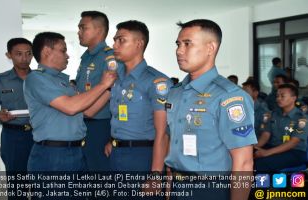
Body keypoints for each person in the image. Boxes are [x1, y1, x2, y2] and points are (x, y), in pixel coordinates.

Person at [164, 19, 257, 200]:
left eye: (187, 44)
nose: (179, 50)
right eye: (178, 44)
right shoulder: (175, 93)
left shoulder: (229, 96)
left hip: (209, 189)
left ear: (210, 48)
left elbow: (244, 163)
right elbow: (173, 143)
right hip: (177, 185)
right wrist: (169, 185)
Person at [23, 32, 116, 171]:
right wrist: (102, 85)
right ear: (47, 51)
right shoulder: (36, 78)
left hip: (76, 151)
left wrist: (109, 87)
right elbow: (70, 107)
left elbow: (89, 111)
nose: (67, 55)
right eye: (63, 50)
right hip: (53, 154)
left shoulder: (63, 81)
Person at [104, 20, 172, 173]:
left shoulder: (156, 82)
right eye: (115, 40)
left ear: (139, 44)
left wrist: (155, 174)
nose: (115, 45)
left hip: (142, 155)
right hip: (116, 152)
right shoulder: (117, 77)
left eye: (121, 40)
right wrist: (113, 141)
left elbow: (163, 133)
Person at [0, 38, 34, 172]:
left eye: (28, 53)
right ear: (9, 55)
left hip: (40, 135)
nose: (24, 58)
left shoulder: (41, 79)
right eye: (19, 54)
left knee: (42, 184)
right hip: (13, 137)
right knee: (17, 185)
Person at [76, 11, 115, 171]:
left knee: (100, 179)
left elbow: (112, 89)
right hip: (81, 123)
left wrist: (87, 110)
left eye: (83, 28)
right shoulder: (86, 57)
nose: (79, 32)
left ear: (99, 30)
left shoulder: (110, 57)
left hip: (100, 125)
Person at [255, 84, 307, 171]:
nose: (278, 98)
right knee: (246, 155)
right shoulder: (273, 114)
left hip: (294, 152)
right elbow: (266, 134)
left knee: (262, 163)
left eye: (282, 96)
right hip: (273, 147)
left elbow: (293, 142)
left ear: (293, 98)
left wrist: (266, 153)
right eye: (277, 96)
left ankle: (264, 184)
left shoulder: (301, 118)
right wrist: (256, 147)